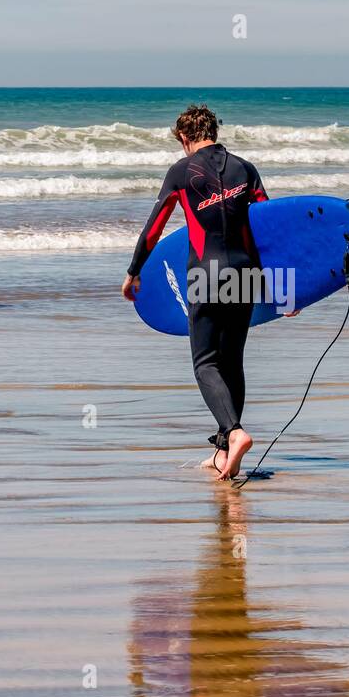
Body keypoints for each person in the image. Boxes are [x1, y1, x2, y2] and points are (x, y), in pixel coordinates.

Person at [122, 105, 271, 481]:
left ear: (184, 138)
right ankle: (223, 451)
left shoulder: (180, 171)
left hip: (206, 274)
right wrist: (287, 290)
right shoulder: (245, 168)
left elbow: (154, 228)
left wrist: (134, 271)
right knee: (232, 359)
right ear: (214, 132)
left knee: (206, 362)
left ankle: (235, 435)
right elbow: (271, 228)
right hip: (246, 272)